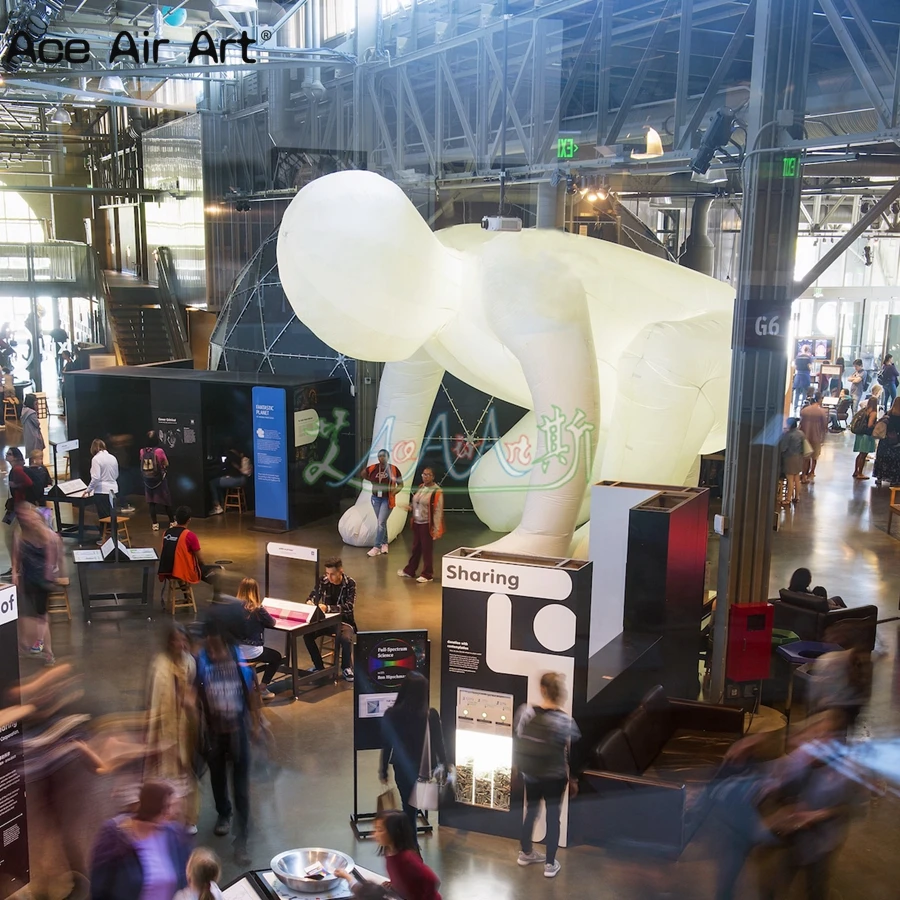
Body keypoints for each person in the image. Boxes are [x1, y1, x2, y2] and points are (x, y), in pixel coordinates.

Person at [195, 618, 258, 866]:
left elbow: (251, 693)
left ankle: (241, 841)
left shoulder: (239, 663)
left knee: (241, 788)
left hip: (237, 732)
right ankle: (224, 813)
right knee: (218, 777)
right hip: (214, 733)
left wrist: (255, 723)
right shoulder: (203, 664)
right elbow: (195, 696)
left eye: (214, 648)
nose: (211, 652)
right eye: (208, 648)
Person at [514, 672, 581, 879]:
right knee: (553, 818)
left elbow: (517, 738)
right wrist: (573, 779)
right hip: (555, 777)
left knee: (531, 812)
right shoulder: (565, 721)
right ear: (560, 693)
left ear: (543, 690)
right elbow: (573, 750)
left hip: (531, 774)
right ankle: (550, 864)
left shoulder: (526, 712)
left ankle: (525, 853)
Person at [89, 779, 191, 900]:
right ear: (158, 808)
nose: (176, 812)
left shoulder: (175, 834)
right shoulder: (114, 836)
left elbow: (187, 877)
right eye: (171, 806)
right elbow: (99, 886)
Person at [379, 671, 446, 845]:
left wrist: (383, 769)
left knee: (408, 807)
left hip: (401, 767)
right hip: (425, 769)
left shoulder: (392, 714)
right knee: (414, 807)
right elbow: (439, 744)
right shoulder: (430, 715)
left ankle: (410, 844)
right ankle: (412, 845)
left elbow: (387, 744)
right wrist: (445, 764)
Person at [146, 623, 200, 835]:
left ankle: (188, 817)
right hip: (165, 729)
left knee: (186, 772)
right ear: (169, 642)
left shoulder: (190, 663)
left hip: (185, 729)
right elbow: (154, 702)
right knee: (165, 774)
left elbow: (193, 693)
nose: (181, 644)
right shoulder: (159, 666)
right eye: (177, 640)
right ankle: (165, 816)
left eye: (184, 640)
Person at [337, 810, 441, 900]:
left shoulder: (407, 859)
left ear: (395, 833)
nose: (375, 834)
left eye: (380, 830)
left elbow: (433, 880)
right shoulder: (389, 851)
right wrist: (395, 884)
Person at [13, 501, 62, 666]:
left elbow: (54, 558)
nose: (27, 520)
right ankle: (24, 647)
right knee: (24, 615)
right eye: (24, 517)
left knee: (41, 616)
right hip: (27, 579)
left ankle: (47, 651)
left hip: (42, 580)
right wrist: (14, 572)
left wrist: (52, 575)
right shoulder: (20, 534)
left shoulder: (48, 535)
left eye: (30, 517)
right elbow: (16, 556)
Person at [304, 556, 358, 683]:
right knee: (307, 635)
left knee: (345, 638)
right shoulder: (323, 580)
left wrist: (327, 608)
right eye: (327, 574)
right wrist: (310, 602)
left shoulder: (350, 583)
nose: (329, 577)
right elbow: (311, 596)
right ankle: (319, 667)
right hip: (326, 621)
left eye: (332, 574)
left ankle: (346, 667)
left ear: (341, 571)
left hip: (344, 621)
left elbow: (349, 607)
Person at [235, 576, 282, 701]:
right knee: (276, 657)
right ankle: (262, 687)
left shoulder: (233, 608)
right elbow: (272, 622)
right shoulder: (257, 609)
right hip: (252, 651)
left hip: (235, 651)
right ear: (255, 591)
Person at [398, 468, 444, 584]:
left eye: (429, 475)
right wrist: (410, 507)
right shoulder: (421, 487)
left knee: (426, 550)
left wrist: (436, 528)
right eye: (424, 474)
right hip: (417, 523)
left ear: (433, 477)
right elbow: (417, 503)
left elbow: (438, 511)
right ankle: (410, 570)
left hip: (427, 524)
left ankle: (427, 574)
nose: (426, 477)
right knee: (416, 548)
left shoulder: (437, 491)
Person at [363, 449, 403, 556]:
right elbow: (363, 473)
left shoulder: (393, 469)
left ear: (388, 457)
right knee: (382, 522)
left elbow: (401, 484)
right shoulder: (373, 468)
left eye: (384, 456)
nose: (382, 458)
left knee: (380, 522)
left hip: (387, 499)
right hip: (376, 498)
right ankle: (385, 544)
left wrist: (394, 492)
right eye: (380, 456)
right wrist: (371, 480)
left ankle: (377, 547)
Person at [158, 506, 203, 594]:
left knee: (178, 563)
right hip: (180, 571)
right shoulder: (190, 535)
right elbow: (200, 558)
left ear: (175, 518)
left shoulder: (166, 533)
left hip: (167, 570)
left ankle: (186, 594)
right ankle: (216, 601)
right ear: (189, 520)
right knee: (217, 573)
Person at [2, 447, 32, 577]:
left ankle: (17, 567)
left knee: (11, 535)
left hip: (18, 506)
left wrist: (16, 486)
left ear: (14, 457)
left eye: (9, 454)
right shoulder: (16, 469)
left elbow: (28, 483)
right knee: (11, 534)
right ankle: (17, 566)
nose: (6, 456)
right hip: (16, 506)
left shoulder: (17, 469)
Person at [141, 431, 173, 531]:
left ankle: (155, 524)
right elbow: (166, 463)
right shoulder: (159, 451)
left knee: (151, 502)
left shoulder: (142, 451)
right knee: (166, 500)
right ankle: (172, 521)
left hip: (148, 480)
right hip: (160, 479)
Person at [209, 446, 252, 515]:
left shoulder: (230, 455)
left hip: (237, 479)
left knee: (212, 483)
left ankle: (217, 507)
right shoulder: (242, 456)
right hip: (243, 479)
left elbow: (223, 467)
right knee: (218, 483)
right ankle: (222, 504)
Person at [87, 438, 120, 520]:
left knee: (104, 518)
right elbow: (116, 474)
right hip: (114, 490)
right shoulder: (113, 457)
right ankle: (113, 532)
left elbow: (96, 477)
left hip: (101, 491)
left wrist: (89, 489)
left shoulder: (96, 459)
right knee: (112, 516)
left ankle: (105, 533)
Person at [799, 393, 828, 483]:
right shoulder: (821, 412)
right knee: (814, 457)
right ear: (820, 400)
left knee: (805, 457)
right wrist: (823, 437)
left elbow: (801, 424)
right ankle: (811, 472)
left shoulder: (804, 410)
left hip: (805, 436)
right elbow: (825, 426)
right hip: (816, 436)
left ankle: (803, 475)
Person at [778, 418, 806, 505]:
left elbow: (783, 448)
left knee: (790, 479)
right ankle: (797, 497)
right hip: (799, 458)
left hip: (789, 458)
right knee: (797, 478)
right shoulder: (801, 433)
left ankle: (788, 499)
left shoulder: (788, 435)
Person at [852, 396, 878, 479]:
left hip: (860, 434)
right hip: (866, 435)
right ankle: (860, 473)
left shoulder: (864, 410)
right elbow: (870, 424)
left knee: (860, 454)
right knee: (864, 454)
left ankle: (856, 471)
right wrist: (876, 425)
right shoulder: (873, 412)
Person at [24, 449, 52, 523]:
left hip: (42, 493)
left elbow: (48, 480)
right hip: (32, 495)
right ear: (34, 460)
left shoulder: (43, 469)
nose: (41, 461)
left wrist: (49, 486)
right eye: (40, 459)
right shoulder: (28, 471)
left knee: (43, 510)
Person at [21, 393, 45, 458]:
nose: (37, 406)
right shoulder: (32, 413)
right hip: (34, 436)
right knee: (36, 454)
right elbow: (37, 424)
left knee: (30, 455)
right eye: (36, 404)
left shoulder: (24, 411)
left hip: (28, 436)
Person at [792, 345, 813, 412]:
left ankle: (795, 407)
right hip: (806, 376)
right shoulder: (809, 358)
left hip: (798, 376)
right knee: (804, 393)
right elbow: (810, 367)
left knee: (797, 393)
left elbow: (795, 366)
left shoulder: (798, 357)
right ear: (808, 350)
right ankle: (802, 407)